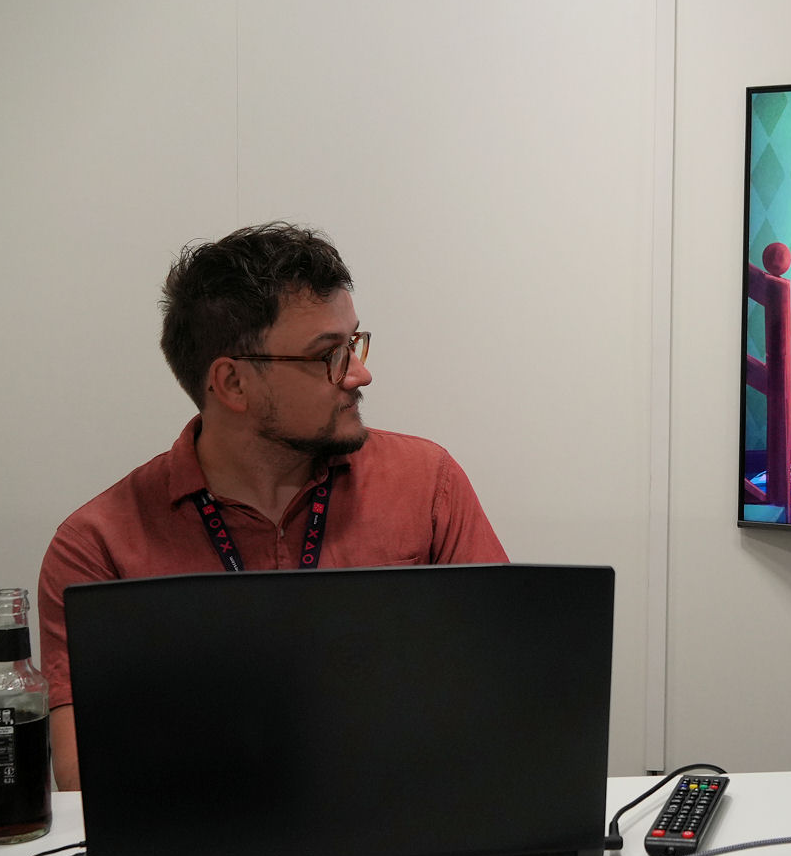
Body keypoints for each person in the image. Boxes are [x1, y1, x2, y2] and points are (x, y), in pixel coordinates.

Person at [37, 223, 507, 789]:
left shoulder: (426, 483)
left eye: (354, 343)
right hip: (208, 836)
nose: (360, 373)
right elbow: (84, 778)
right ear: (233, 383)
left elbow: (504, 692)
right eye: (328, 355)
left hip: (405, 814)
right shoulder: (98, 546)